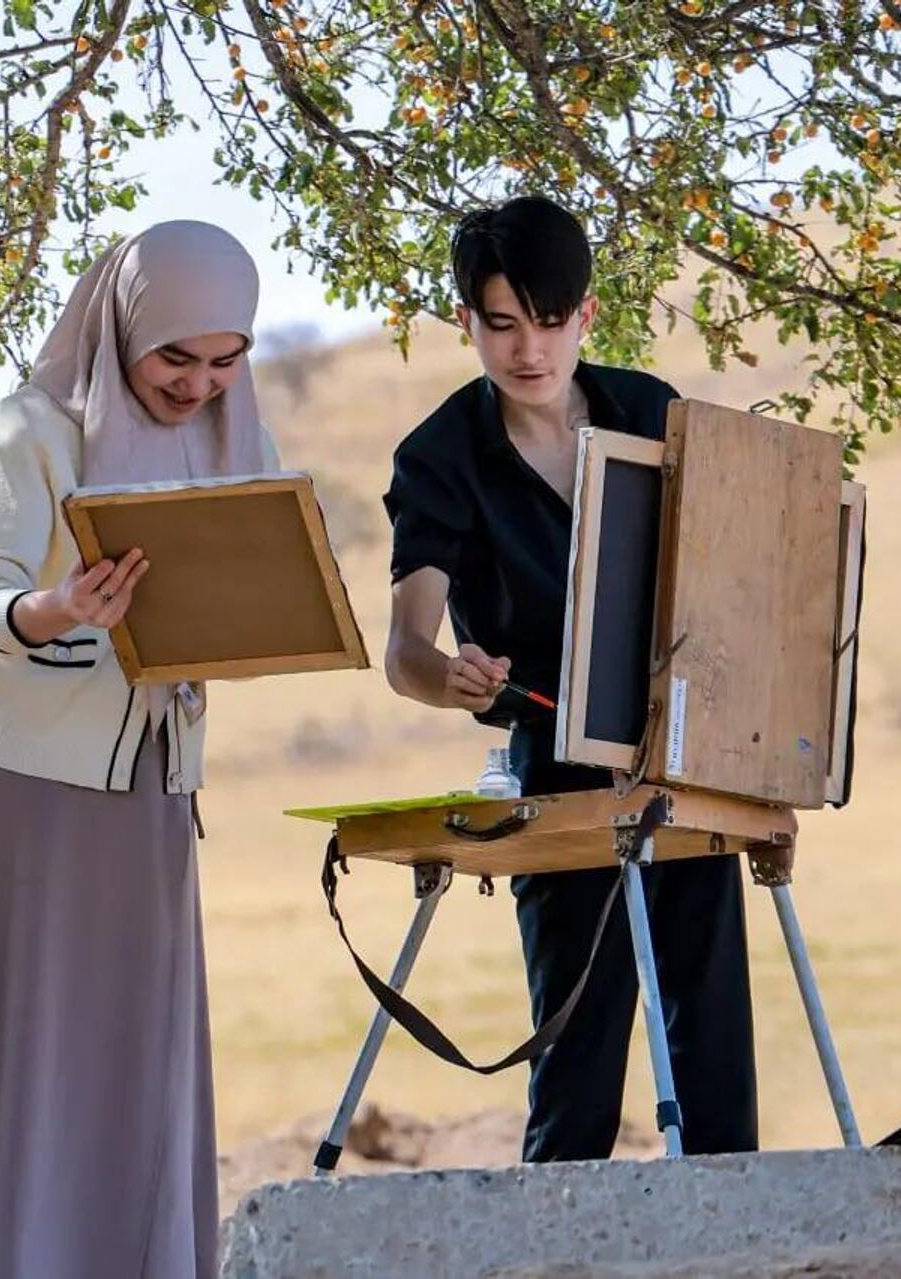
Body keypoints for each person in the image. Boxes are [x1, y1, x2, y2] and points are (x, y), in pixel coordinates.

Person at [0, 221, 277, 1278]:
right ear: (123, 328)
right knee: (17, 1062)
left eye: (225, 359)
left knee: (131, 1070)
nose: (200, 383)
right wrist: (55, 608)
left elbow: (254, 590)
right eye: (176, 358)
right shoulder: (37, 428)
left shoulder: (233, 433)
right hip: (25, 797)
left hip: (151, 798)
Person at [382, 196, 756, 1162]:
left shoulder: (651, 409)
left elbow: (721, 583)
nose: (528, 350)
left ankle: (741, 1249)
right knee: (576, 1063)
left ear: (587, 315)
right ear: (466, 319)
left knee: (712, 1048)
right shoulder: (439, 455)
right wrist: (451, 676)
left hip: (683, 762)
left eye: (549, 321)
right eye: (501, 324)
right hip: (552, 780)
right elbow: (406, 653)